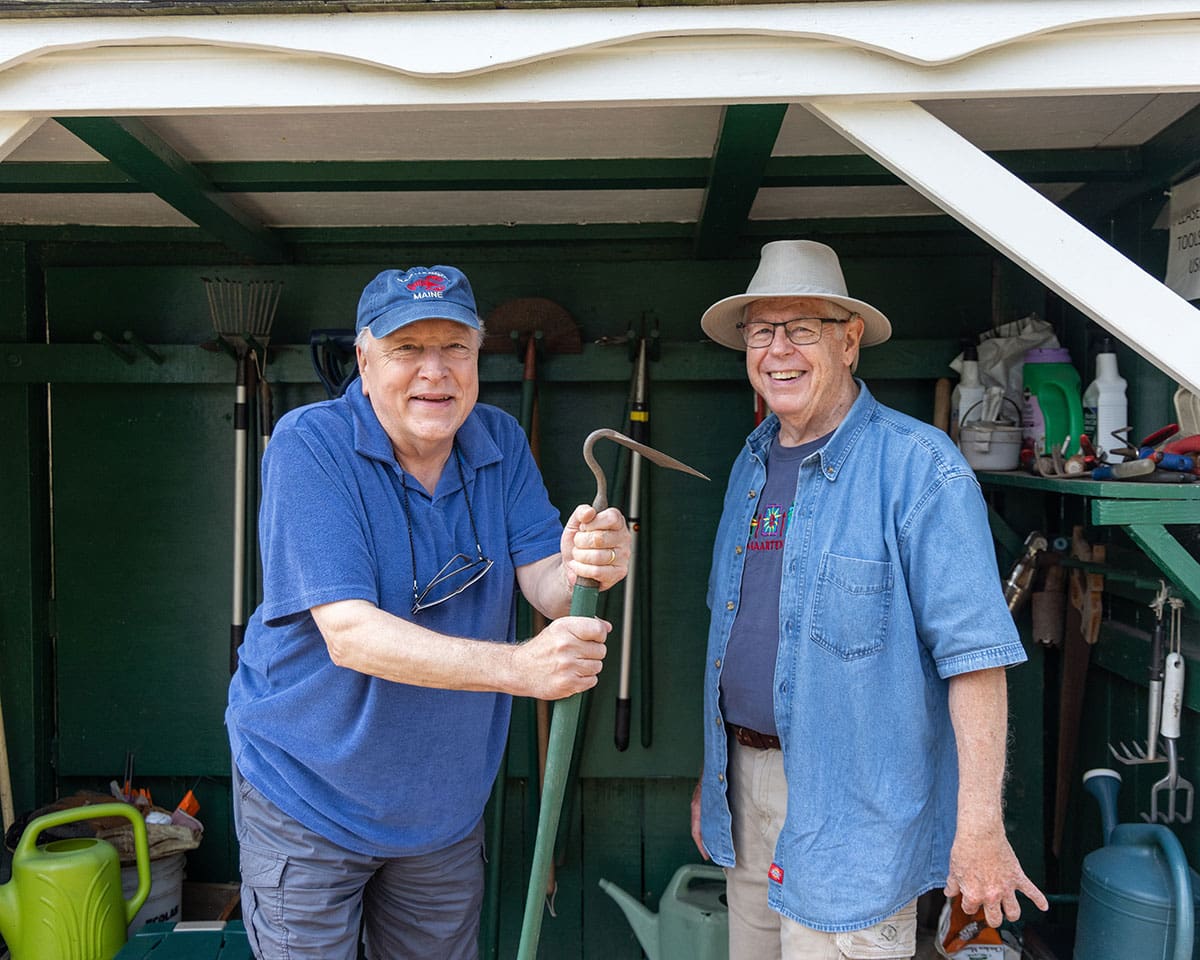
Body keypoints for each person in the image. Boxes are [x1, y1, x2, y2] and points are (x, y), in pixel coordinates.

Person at [225, 264, 631, 960]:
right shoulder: (312, 444)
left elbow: (547, 584)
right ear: (364, 358)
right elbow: (350, 635)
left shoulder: (497, 443)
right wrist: (521, 668)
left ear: (477, 355)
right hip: (310, 798)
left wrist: (591, 563)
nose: (433, 372)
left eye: (454, 348)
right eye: (407, 349)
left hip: (440, 812)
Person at [689, 240, 1047, 960]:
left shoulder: (921, 470)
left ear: (849, 341)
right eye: (762, 331)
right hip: (745, 789)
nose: (777, 350)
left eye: (802, 329)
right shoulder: (752, 462)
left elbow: (977, 660)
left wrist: (977, 828)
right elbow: (736, 633)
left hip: (858, 817)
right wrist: (714, 778)